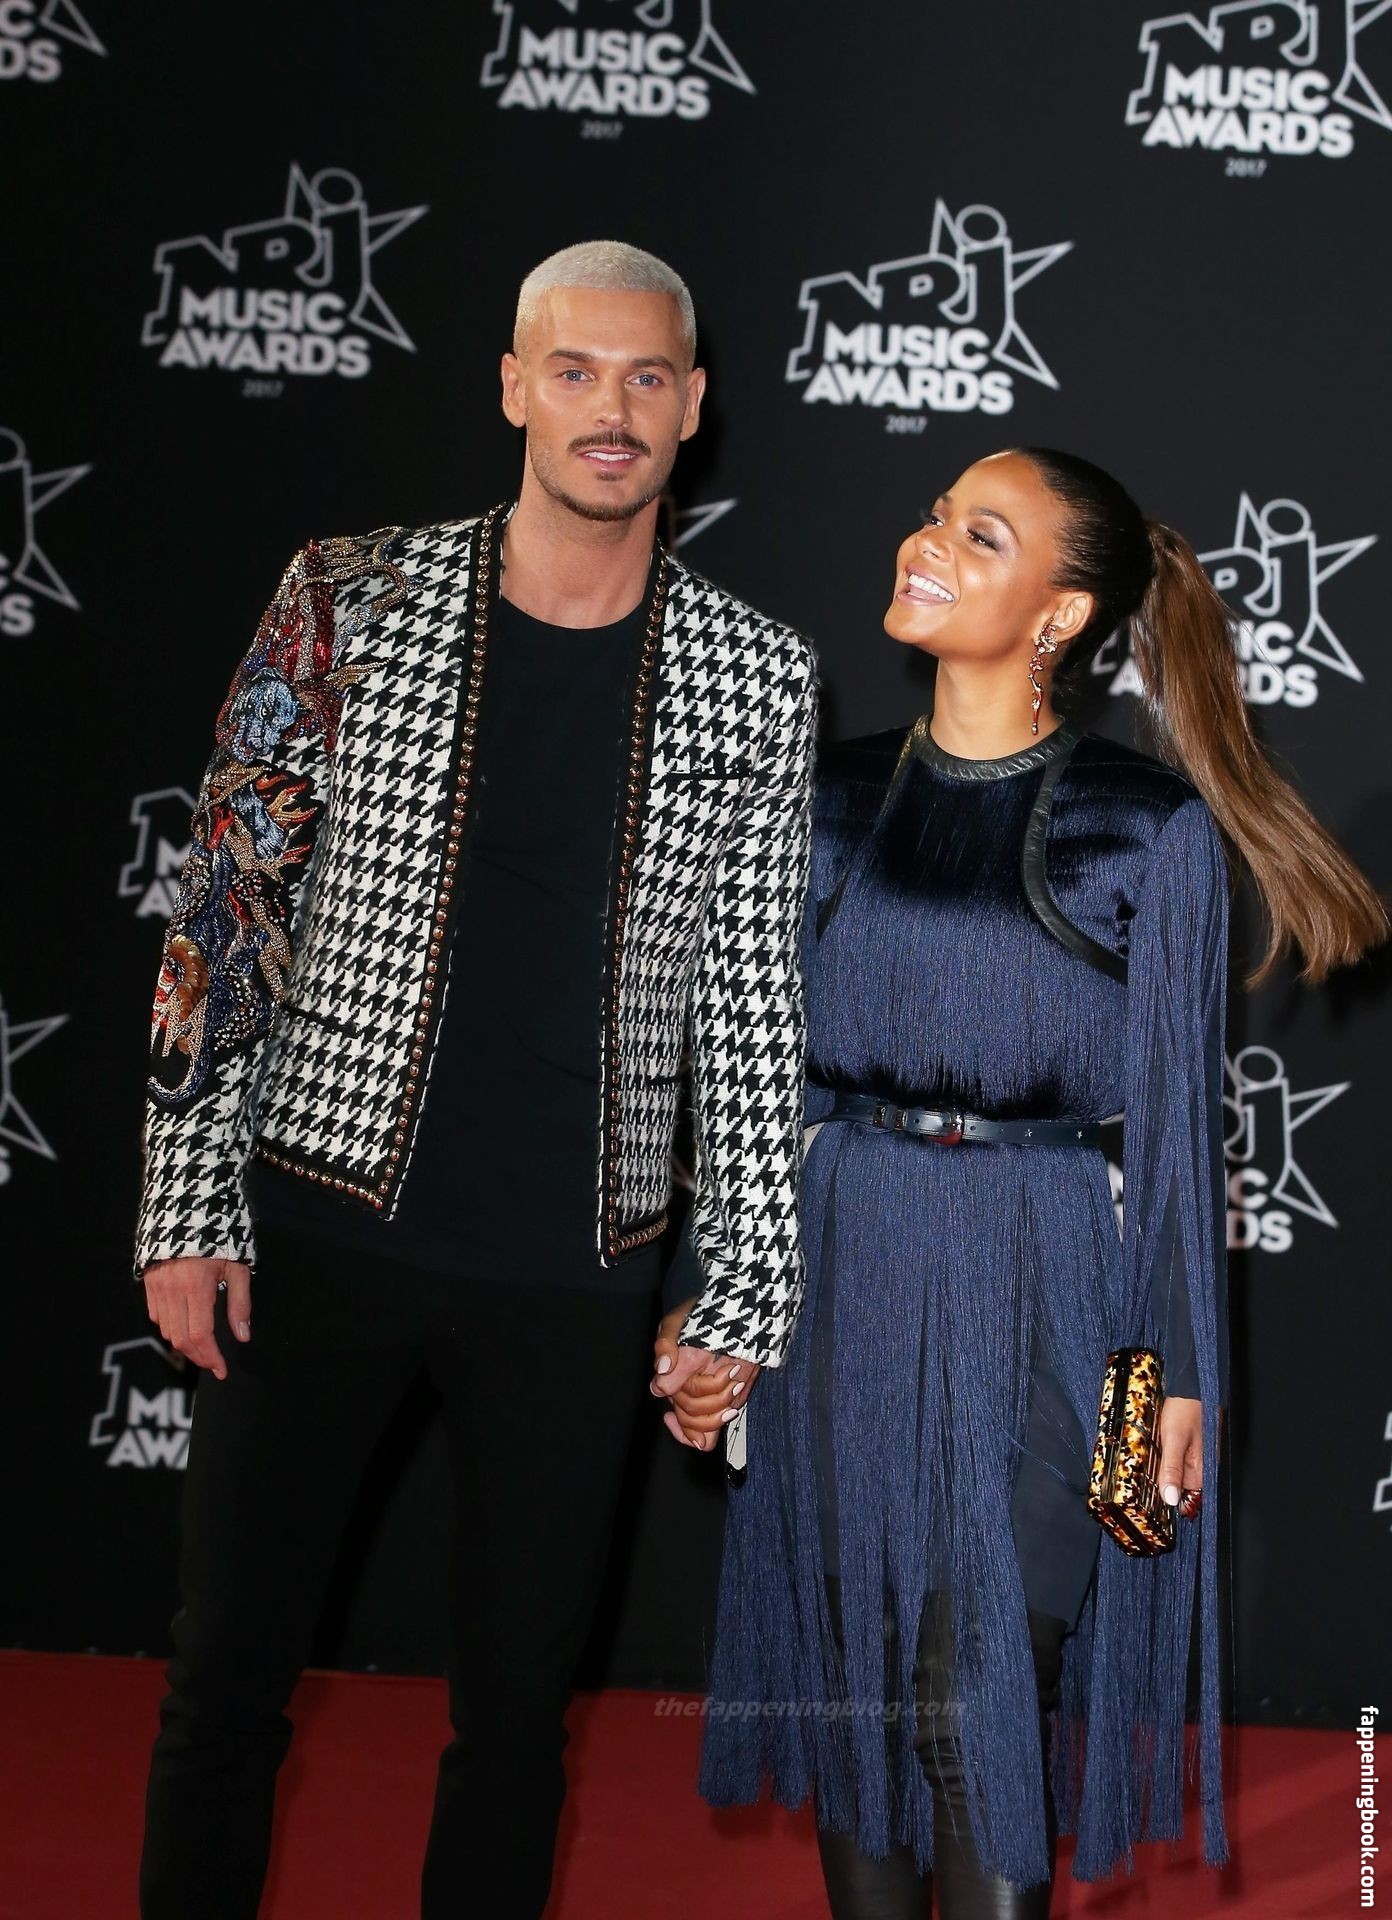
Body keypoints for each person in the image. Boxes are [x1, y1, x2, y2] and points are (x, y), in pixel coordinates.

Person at [133, 239, 817, 1920]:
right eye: (574, 371)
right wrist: (185, 1198)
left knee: (516, 1725)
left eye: (646, 378)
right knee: (222, 1684)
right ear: (515, 387)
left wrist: (749, 1280)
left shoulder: (757, 672)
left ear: (693, 407)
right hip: (319, 1221)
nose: (610, 408)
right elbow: (230, 903)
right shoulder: (348, 592)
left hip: (572, 1265)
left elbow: (749, 998)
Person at [652, 447, 1385, 1917]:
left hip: (1057, 1289)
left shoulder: (1148, 825)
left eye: (980, 536)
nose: (927, 542)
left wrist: (1174, 1379)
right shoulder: (825, 800)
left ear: (1059, 615)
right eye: (937, 515)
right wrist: (708, 1303)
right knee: (861, 1696)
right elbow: (757, 1089)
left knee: (969, 1694)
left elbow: (1174, 1141)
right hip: (845, 1267)